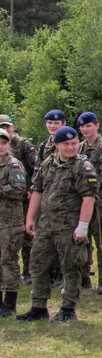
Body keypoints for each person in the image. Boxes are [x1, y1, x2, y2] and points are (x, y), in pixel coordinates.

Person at [16, 126, 96, 323]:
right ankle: (38, 307)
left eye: (74, 143)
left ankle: (68, 309)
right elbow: (37, 190)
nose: (71, 147)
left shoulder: (82, 167)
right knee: (38, 264)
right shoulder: (47, 163)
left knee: (70, 267)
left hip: (70, 227)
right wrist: (30, 218)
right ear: (57, 145)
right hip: (46, 225)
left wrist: (83, 226)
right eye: (66, 144)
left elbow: (89, 198)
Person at [76, 112, 102, 294]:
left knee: (101, 239)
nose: (86, 129)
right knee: (82, 239)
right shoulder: (79, 147)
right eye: (83, 126)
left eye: (89, 125)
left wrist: (89, 190)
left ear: (97, 125)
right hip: (82, 202)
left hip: (101, 202)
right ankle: (84, 276)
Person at [0, 115, 36, 285]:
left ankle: (28, 271)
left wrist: (32, 188)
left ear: (12, 126)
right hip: (5, 206)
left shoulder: (23, 144)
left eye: (7, 126)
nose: (5, 129)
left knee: (25, 235)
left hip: (25, 196)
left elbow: (35, 167)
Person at [0, 129, 27, 317]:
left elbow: (20, 190)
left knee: (8, 261)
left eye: (3, 142)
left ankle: (10, 304)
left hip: (10, 223)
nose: (0, 146)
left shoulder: (14, 165)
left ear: (8, 144)